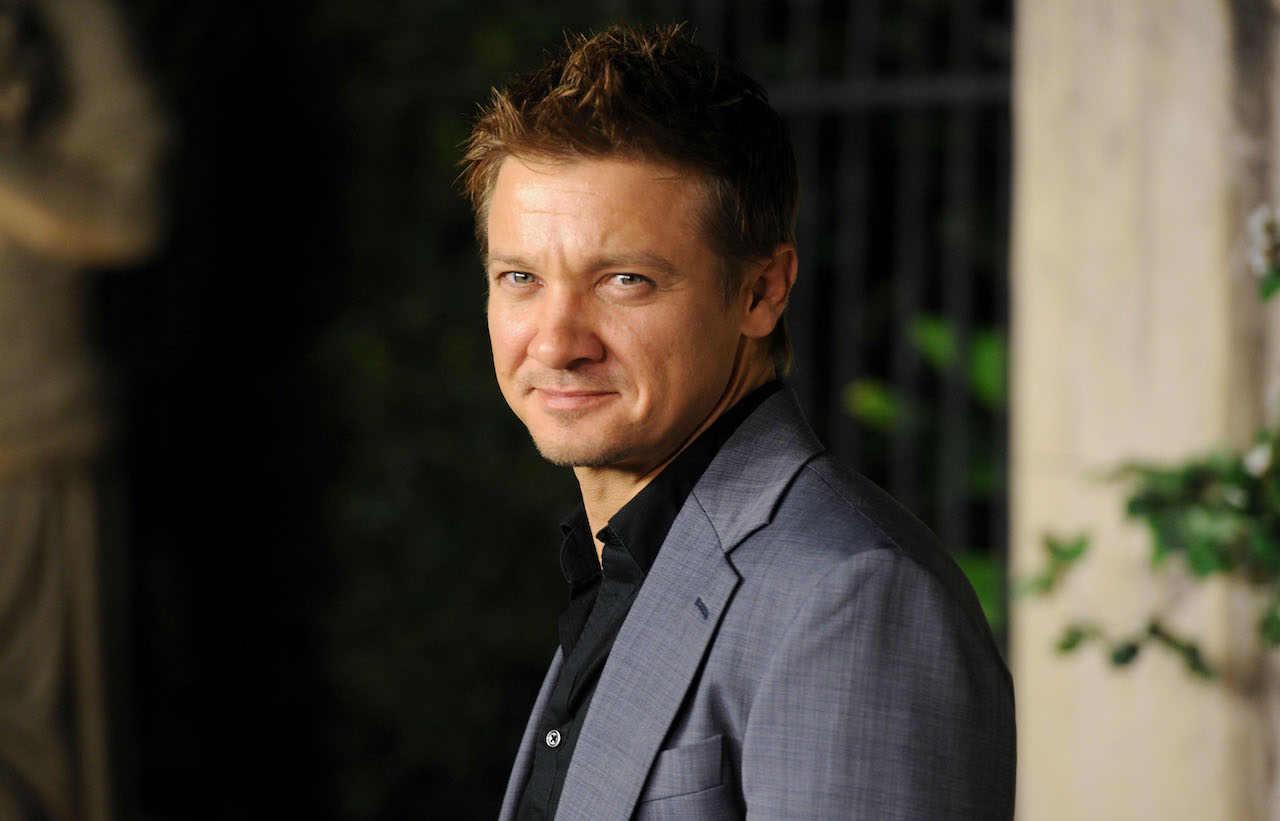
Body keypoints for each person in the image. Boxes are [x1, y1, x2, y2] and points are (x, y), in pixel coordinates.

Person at [460, 24, 1014, 820]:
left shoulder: (853, 597)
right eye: (520, 277)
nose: (555, 343)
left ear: (761, 292)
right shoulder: (620, 561)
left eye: (624, 280)